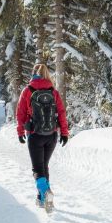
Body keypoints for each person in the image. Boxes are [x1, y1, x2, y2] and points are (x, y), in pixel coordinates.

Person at [16, 64, 69, 212]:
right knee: (44, 166)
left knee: (38, 169)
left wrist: (20, 132)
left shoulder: (27, 90)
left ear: (33, 74)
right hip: (51, 135)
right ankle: (42, 199)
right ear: (47, 74)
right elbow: (62, 113)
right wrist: (64, 133)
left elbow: (20, 114)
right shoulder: (53, 91)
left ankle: (45, 193)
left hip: (35, 135)